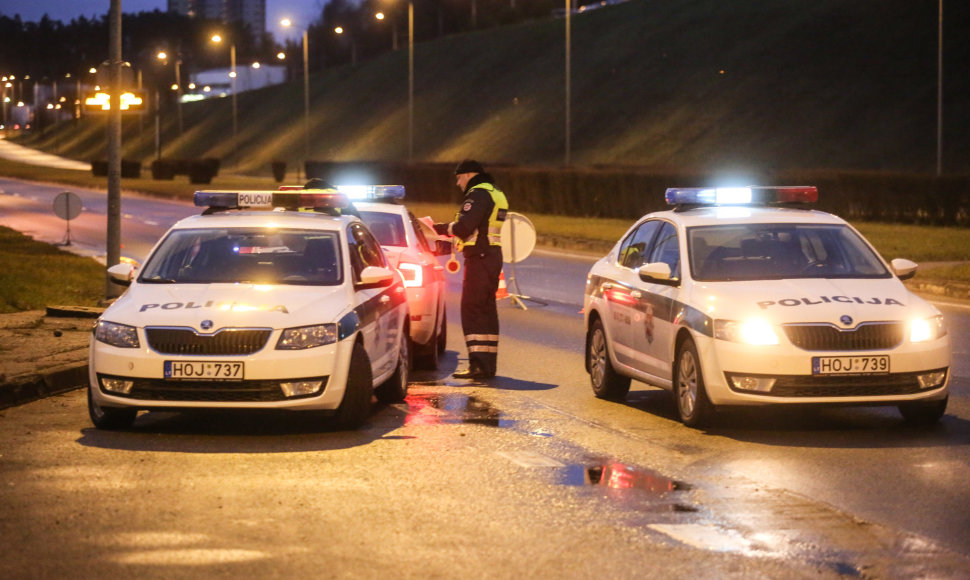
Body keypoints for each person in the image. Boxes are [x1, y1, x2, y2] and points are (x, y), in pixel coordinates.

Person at [434, 159, 509, 380]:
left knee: (473, 310)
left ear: (469, 175)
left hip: (481, 259)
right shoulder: (496, 192)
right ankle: (486, 366)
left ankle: (479, 366)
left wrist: (439, 228)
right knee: (485, 310)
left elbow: (465, 227)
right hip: (490, 256)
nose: (458, 183)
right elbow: (481, 231)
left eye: (459, 178)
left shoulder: (478, 193)